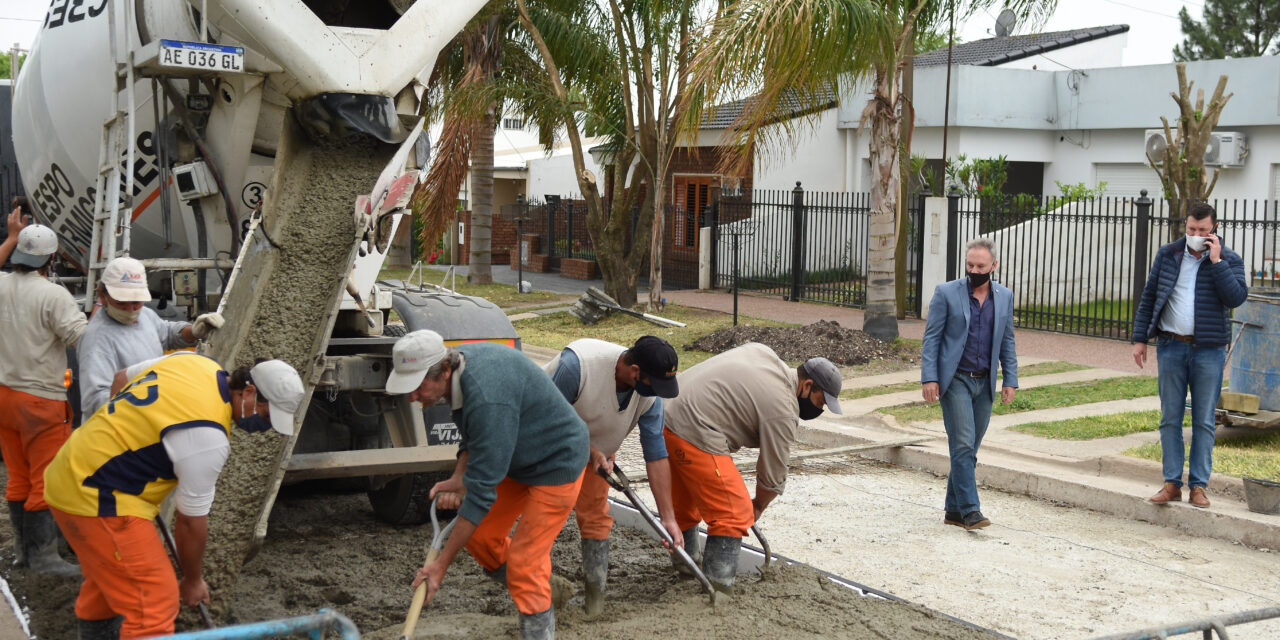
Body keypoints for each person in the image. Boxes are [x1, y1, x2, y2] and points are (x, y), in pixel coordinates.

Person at [44, 353, 303, 639]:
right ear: (250, 392)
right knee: (154, 601)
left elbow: (120, 379)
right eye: (266, 416)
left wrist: (122, 433)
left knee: (112, 577)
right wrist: (192, 580)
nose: (264, 428)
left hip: (70, 468)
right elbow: (190, 523)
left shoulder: (193, 362)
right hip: (99, 496)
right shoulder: (208, 435)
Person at [388, 330, 588, 640]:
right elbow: (473, 436)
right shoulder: (459, 370)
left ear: (443, 370)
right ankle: (544, 587)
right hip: (515, 455)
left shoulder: (487, 395)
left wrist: (440, 565)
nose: (412, 396)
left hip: (557, 462)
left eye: (417, 386)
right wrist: (459, 477)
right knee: (480, 537)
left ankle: (537, 626)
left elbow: (480, 497)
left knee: (524, 564)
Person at [662, 342, 843, 594]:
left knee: (686, 500)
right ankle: (718, 590)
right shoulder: (783, 408)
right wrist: (756, 506)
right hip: (694, 428)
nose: (819, 409)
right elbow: (773, 475)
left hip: (666, 414)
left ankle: (685, 569)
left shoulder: (764, 353)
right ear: (807, 385)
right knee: (733, 512)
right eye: (820, 402)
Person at [542, 335, 680, 617]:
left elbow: (655, 454)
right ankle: (539, 589)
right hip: (548, 444)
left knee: (595, 516)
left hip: (599, 452)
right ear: (635, 371)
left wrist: (668, 518)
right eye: (656, 383)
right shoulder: (578, 366)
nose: (658, 393)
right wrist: (589, 452)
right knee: (547, 515)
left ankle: (595, 600)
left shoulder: (649, 398)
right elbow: (547, 420)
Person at [1131, 202, 1248, 509]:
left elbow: (1236, 297)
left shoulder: (1229, 259)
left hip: (1208, 350)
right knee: (1170, 417)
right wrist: (1140, 338)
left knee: (1204, 420)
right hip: (1171, 346)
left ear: (1214, 230)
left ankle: (1198, 486)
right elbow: (1149, 296)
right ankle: (1171, 483)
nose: (1196, 235)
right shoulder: (1168, 254)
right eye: (1192, 229)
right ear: (1186, 226)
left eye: (1203, 230)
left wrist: (1217, 261)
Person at [0, 206, 87, 576]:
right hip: (40, 402)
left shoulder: (1, 285)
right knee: (45, 478)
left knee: (17, 475)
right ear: (51, 260)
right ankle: (45, 558)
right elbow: (81, 338)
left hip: (3, 397)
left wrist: (10, 237)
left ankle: (23, 552)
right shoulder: (53, 296)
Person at [921, 237, 1018, 531]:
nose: (974, 270)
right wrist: (930, 377)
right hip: (956, 381)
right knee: (962, 444)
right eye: (970, 265)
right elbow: (932, 338)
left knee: (969, 450)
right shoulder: (946, 293)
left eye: (980, 266)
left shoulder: (1004, 297)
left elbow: (1007, 341)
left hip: (984, 383)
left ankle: (953, 509)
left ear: (994, 266)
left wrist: (1010, 379)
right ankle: (971, 510)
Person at [77, 256, 224, 417]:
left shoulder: (144, 315)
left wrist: (193, 331)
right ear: (102, 295)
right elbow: (95, 403)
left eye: (136, 302)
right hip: (119, 427)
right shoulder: (96, 340)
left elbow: (166, 332)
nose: (130, 309)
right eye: (121, 303)